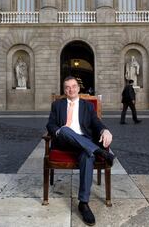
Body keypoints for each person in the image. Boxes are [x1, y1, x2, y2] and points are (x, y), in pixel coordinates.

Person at [47, 76, 114, 226]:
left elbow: (96, 122)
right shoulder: (57, 105)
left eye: (74, 86)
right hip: (64, 141)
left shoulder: (87, 106)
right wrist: (58, 132)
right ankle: (99, 151)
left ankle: (83, 203)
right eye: (67, 87)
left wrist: (105, 130)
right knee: (64, 129)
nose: (71, 89)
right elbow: (50, 124)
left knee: (87, 155)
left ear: (78, 88)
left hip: (84, 143)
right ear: (64, 90)